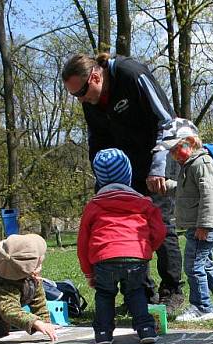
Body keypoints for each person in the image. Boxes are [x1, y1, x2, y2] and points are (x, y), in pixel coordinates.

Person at [61, 52, 185, 311]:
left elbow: (167, 121)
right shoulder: (90, 100)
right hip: (123, 169)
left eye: (81, 92)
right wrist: (104, 180)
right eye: (75, 96)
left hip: (156, 158)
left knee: (159, 225)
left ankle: (171, 290)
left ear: (95, 76)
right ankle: (141, 293)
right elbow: (97, 140)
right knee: (128, 227)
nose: (81, 99)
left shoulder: (132, 74)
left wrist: (158, 168)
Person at [77, 148, 166, 344]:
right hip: (136, 257)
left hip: (104, 257)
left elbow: (83, 241)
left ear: (99, 179)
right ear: (128, 175)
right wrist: (147, 248)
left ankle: (103, 333)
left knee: (105, 294)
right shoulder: (143, 203)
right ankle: (145, 329)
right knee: (135, 292)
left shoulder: (94, 205)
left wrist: (88, 272)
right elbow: (159, 231)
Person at [155, 119, 213, 322]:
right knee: (205, 265)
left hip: (204, 226)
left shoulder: (203, 164)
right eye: (171, 151)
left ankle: (202, 307)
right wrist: (168, 186)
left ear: (192, 142)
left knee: (194, 266)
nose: (173, 155)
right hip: (200, 226)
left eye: (177, 149)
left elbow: (210, 197)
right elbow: (188, 192)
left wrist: (205, 225)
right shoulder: (190, 165)